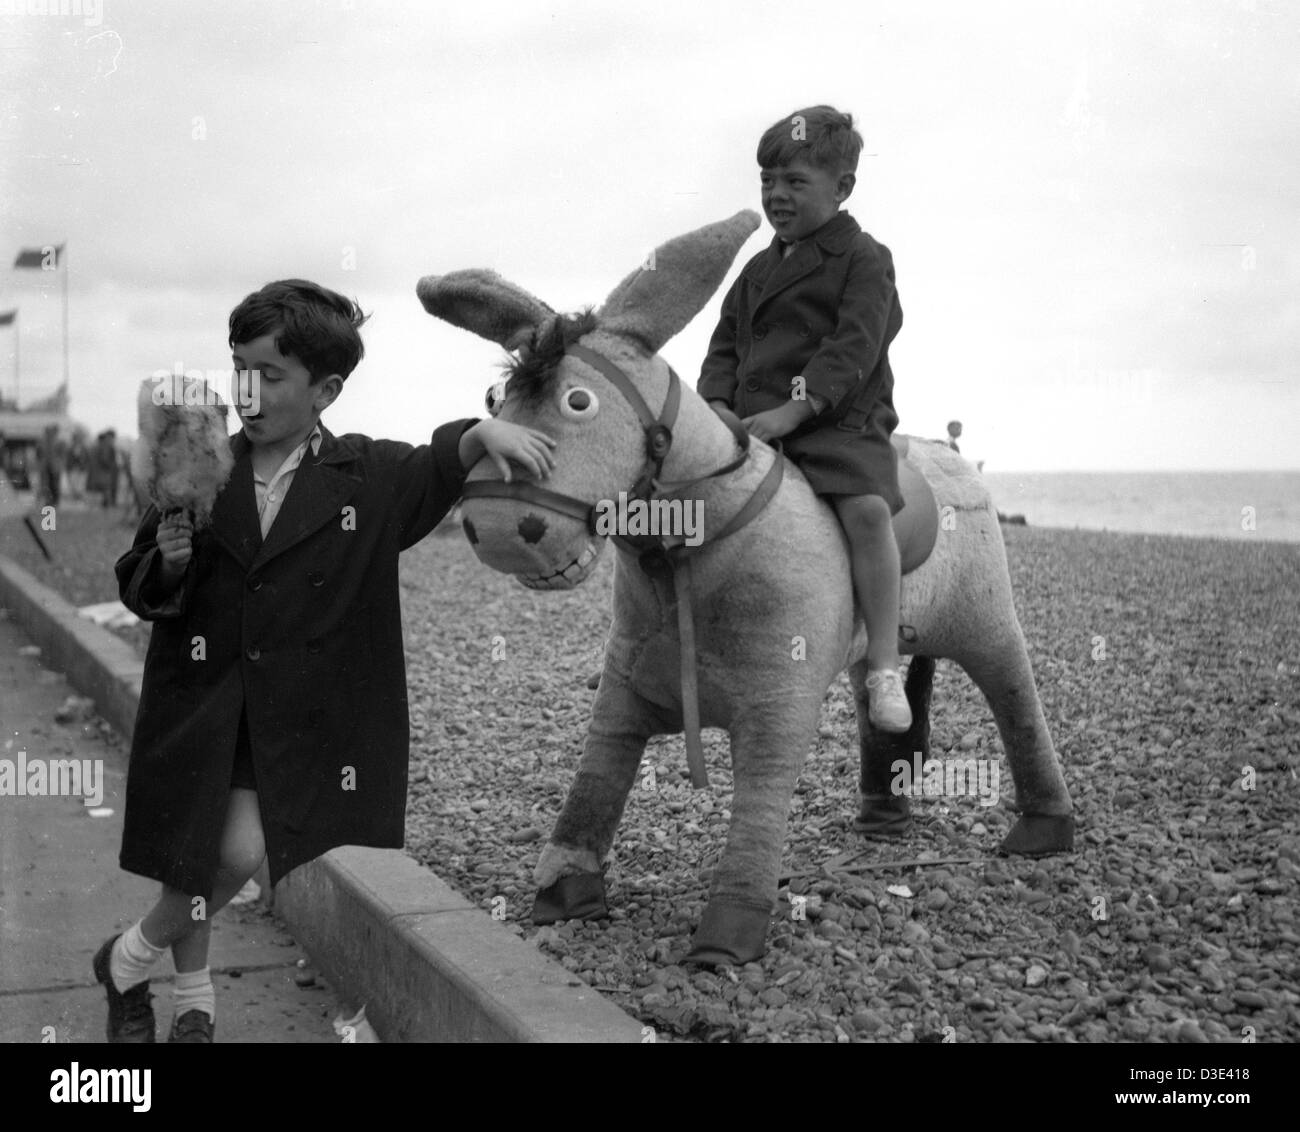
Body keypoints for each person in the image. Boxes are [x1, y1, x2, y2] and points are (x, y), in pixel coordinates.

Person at [94, 279, 556, 1043]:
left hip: (290, 714)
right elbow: (138, 579)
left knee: (236, 850)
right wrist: (170, 564)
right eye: (238, 367)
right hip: (203, 700)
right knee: (193, 852)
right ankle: (195, 1004)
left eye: (269, 375)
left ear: (327, 389)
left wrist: (485, 433)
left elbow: (435, 464)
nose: (246, 390)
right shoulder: (201, 470)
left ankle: (125, 959)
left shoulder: (364, 478)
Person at [698, 105, 911, 733]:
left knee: (867, 511)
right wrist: (715, 406)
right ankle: (661, 647)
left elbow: (856, 344)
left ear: (842, 187)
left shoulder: (865, 258)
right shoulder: (758, 269)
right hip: (752, 422)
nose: (776, 196)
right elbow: (725, 344)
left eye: (795, 182)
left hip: (836, 423)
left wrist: (796, 409)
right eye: (768, 182)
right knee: (678, 499)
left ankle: (882, 664)